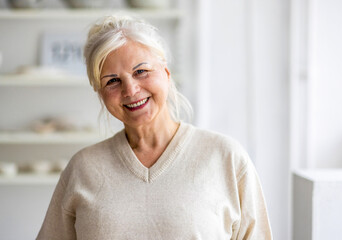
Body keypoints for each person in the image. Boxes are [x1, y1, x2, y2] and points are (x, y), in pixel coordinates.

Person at [37, 14, 272, 240]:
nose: (130, 90)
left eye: (141, 71)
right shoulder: (83, 168)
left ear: (166, 74)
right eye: (112, 81)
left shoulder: (226, 157)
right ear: (101, 94)